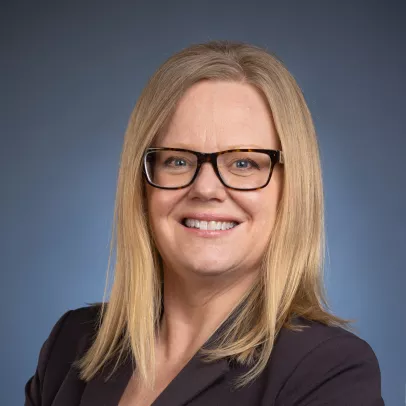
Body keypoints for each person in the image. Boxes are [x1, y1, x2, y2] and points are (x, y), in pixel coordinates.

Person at [25, 40, 384, 405]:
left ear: (291, 188)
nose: (206, 188)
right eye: (178, 161)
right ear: (142, 184)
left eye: (244, 163)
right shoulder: (70, 345)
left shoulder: (328, 370)